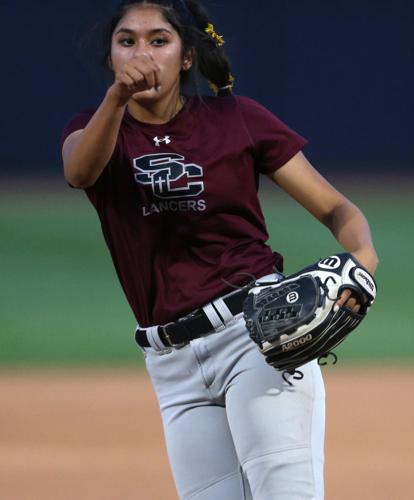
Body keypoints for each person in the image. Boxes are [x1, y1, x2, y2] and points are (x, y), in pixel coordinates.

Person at [60, 1, 378, 498]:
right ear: (111, 60)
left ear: (186, 57)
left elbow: (339, 210)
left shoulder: (238, 119)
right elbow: (80, 172)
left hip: (255, 336)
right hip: (171, 364)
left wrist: (362, 265)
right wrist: (117, 99)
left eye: (159, 40)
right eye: (127, 41)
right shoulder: (97, 130)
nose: (142, 52)